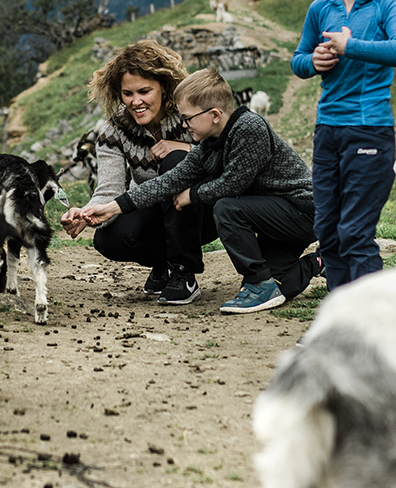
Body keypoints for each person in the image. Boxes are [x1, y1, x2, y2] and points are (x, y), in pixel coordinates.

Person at [69, 69, 318, 314]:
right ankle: (321, 261)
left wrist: (193, 194)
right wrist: (110, 208)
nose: (184, 125)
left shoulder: (249, 128)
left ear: (215, 115)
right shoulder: (209, 144)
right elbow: (168, 181)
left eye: (188, 118)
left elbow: (232, 185)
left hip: (300, 212)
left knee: (227, 207)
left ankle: (258, 282)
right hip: (269, 220)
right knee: (280, 284)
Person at [291, 0, 396, 289]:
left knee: (355, 232)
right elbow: (298, 61)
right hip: (327, 132)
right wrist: (313, 62)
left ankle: (368, 325)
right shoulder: (320, 10)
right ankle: (340, 319)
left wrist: (351, 47)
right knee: (328, 230)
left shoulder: (387, 7)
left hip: (370, 130)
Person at [58, 40, 213, 304]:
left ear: (163, 87)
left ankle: (183, 273)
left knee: (175, 160)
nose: (136, 101)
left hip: (203, 206)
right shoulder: (114, 131)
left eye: (144, 91)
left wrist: (185, 148)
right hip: (152, 206)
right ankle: (162, 262)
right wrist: (86, 213)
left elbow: (222, 156)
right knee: (108, 239)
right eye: (127, 93)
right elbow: (109, 188)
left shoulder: (189, 111)